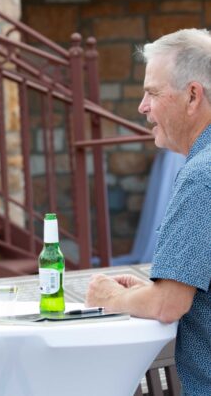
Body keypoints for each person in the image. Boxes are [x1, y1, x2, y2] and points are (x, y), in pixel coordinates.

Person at [86, 28, 211, 396]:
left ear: (192, 96)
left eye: (152, 93)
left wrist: (109, 297)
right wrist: (153, 288)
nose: (142, 106)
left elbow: (168, 303)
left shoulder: (201, 177)